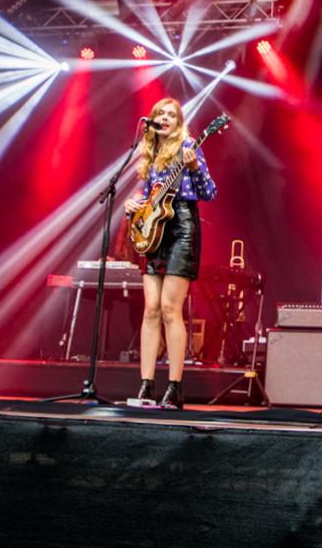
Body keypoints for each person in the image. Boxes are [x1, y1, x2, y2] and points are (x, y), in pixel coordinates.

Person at [124, 98, 217, 409]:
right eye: (159, 114)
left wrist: (193, 167)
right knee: (150, 308)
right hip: (155, 231)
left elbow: (209, 192)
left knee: (168, 308)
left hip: (182, 228)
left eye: (170, 115)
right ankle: (146, 385)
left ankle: (175, 386)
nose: (164, 118)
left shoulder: (189, 147)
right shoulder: (150, 155)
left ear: (179, 122)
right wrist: (133, 205)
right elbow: (151, 196)